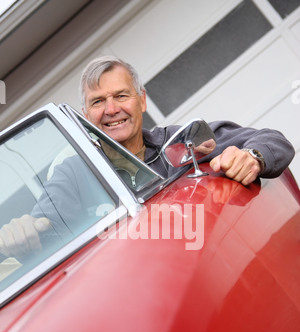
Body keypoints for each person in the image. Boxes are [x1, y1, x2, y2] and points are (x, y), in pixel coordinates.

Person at [0, 55, 295, 258]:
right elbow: (46, 226)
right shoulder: (75, 174)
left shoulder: (181, 139)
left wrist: (253, 156)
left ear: (141, 100)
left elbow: (274, 141)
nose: (111, 109)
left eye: (121, 95)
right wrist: (24, 236)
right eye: (98, 101)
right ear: (86, 116)